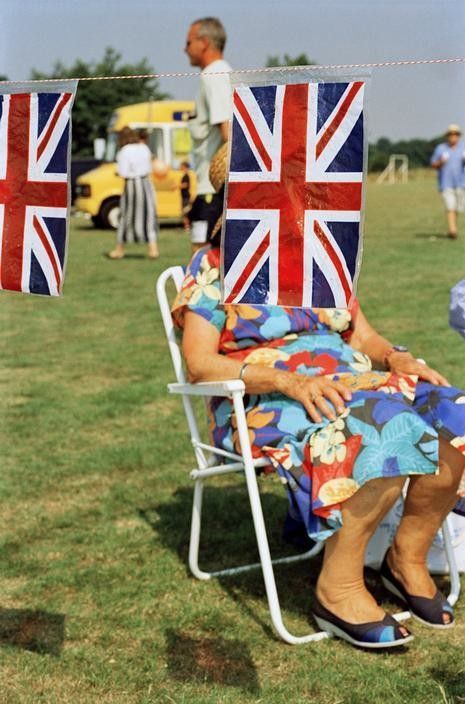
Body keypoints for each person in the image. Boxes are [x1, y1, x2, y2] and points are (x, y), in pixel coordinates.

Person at [171, 147, 465, 649]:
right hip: (263, 400)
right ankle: (338, 588)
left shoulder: (319, 260)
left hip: (350, 385)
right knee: (384, 426)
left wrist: (395, 357)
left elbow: (361, 338)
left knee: (454, 416)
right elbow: (200, 363)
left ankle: (405, 558)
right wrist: (286, 379)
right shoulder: (215, 266)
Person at [184, 16, 232, 253]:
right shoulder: (216, 75)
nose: (185, 49)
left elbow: (229, 133)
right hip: (206, 192)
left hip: (213, 194)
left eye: (188, 42)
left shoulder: (215, 75)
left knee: (201, 266)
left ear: (204, 42)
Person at [107, 127, 159, 260]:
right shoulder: (144, 148)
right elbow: (149, 167)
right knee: (148, 215)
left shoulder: (124, 151)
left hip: (131, 184)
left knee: (126, 215)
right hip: (146, 183)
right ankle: (153, 249)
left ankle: (119, 249)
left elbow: (123, 172)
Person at [430, 124, 465, 239]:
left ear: (459, 136)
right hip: (446, 183)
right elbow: (433, 164)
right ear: (447, 136)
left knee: (457, 208)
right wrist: (441, 162)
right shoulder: (441, 148)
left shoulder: (463, 147)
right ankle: (452, 230)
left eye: (455, 134)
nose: (453, 136)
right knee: (450, 206)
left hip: (461, 183)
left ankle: (453, 226)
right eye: (451, 134)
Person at [179, 161, 192, 231]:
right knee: (185, 213)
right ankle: (186, 227)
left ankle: (187, 227)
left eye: (181, 166)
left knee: (185, 212)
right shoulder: (185, 175)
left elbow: (186, 185)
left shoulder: (186, 176)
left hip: (186, 198)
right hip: (184, 197)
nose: (180, 167)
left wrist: (177, 186)